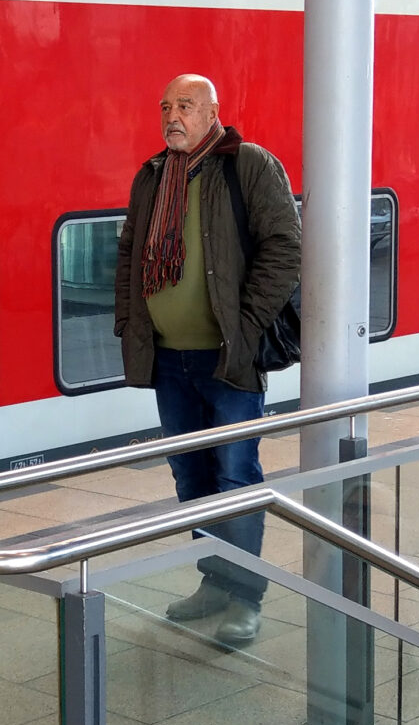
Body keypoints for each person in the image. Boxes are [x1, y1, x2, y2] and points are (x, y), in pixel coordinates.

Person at [113, 73, 301, 647]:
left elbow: (286, 246)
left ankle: (247, 598)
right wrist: (129, 319)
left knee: (236, 475)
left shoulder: (247, 165)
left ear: (213, 111)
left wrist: (244, 329)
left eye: (186, 106)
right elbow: (130, 254)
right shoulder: (151, 176)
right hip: (169, 360)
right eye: (166, 105)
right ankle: (215, 582)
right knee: (191, 476)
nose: (173, 115)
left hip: (228, 360)